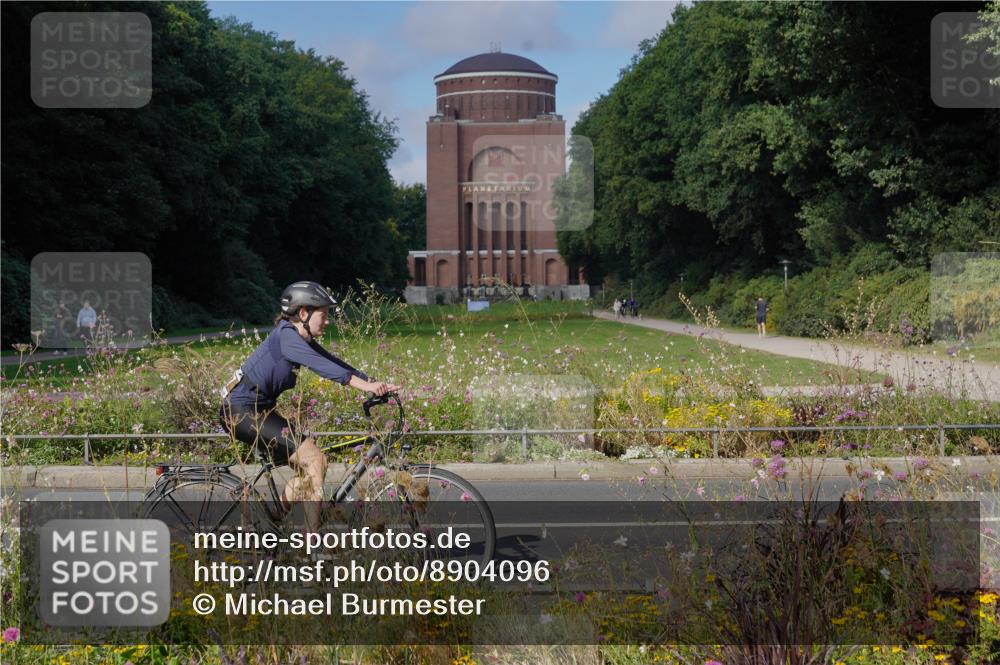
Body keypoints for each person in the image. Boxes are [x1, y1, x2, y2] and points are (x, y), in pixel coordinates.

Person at [219, 281, 399, 527]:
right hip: (240, 412)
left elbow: (332, 361)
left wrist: (374, 383)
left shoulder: (297, 337)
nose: (327, 321)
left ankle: (271, 522)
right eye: (323, 315)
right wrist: (365, 387)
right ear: (303, 313)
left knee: (313, 465)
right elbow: (322, 367)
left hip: (260, 410)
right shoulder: (287, 337)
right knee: (314, 459)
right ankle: (313, 548)